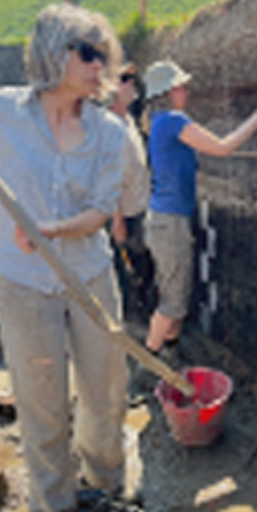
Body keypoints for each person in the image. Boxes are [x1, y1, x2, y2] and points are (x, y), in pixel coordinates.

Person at [0, 3, 136, 512]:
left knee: (105, 393)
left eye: (104, 55)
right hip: (21, 282)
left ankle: (105, 488)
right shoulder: (3, 110)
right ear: (52, 52)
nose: (99, 65)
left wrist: (51, 230)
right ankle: (55, 509)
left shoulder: (110, 132)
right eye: (87, 52)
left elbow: (101, 211)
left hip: (89, 276)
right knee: (39, 398)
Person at [141, 59, 257, 357]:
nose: (187, 91)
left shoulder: (158, 121)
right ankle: (148, 364)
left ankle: (169, 354)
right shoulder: (173, 121)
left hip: (166, 221)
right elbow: (223, 147)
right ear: (168, 91)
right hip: (169, 224)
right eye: (182, 87)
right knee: (173, 302)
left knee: (174, 293)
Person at [107, 64, 153, 321]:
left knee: (146, 268)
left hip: (141, 208)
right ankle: (132, 324)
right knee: (131, 274)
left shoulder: (129, 121)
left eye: (132, 78)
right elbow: (108, 178)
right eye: (125, 79)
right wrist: (117, 221)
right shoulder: (109, 128)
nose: (132, 83)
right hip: (126, 215)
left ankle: (143, 320)